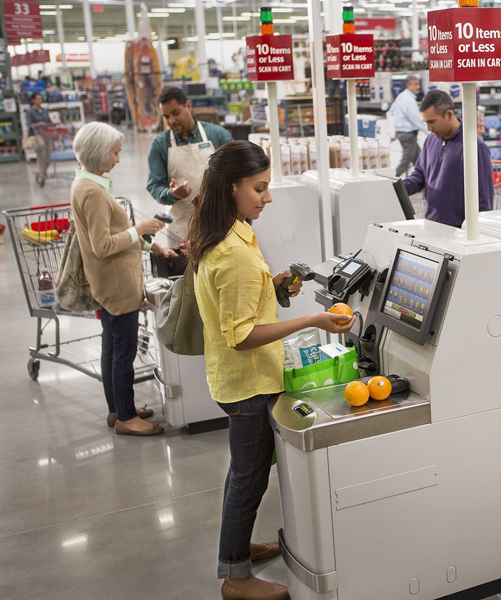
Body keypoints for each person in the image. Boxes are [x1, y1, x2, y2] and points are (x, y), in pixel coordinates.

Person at [187, 141, 354, 600]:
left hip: (234, 377)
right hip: (247, 384)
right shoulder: (235, 252)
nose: (268, 197)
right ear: (233, 186)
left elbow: (237, 304)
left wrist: (275, 286)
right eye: (260, 189)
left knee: (246, 473)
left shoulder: (225, 230)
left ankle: (236, 549)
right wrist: (315, 319)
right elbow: (242, 335)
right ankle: (235, 577)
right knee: (248, 477)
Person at [70, 122, 178, 436]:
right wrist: (141, 229)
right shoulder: (91, 192)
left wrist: (151, 244)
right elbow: (102, 246)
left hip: (110, 283)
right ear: (98, 153)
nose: (118, 159)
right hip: (117, 286)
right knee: (124, 353)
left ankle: (117, 408)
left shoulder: (87, 184)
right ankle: (127, 418)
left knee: (112, 347)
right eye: (115, 153)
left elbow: (116, 235)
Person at [147, 87, 233, 238]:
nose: (172, 121)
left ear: (188, 105)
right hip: (183, 226)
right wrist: (171, 194)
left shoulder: (217, 135)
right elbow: (155, 185)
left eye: (176, 113)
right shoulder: (160, 145)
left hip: (220, 221)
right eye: (166, 117)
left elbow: (237, 175)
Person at [403, 90, 494, 228]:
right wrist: (396, 188)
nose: (428, 128)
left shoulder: (474, 147)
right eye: (426, 122)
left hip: (458, 232)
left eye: (432, 122)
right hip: (431, 226)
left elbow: (483, 199)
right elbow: (419, 176)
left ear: (449, 114)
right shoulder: (431, 140)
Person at [388, 75, 426, 177]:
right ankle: (393, 180)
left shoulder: (401, 96)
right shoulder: (409, 100)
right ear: (408, 85)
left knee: (419, 158)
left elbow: (390, 112)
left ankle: (423, 179)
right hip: (408, 134)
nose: (418, 87)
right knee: (407, 159)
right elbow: (416, 120)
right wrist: (429, 131)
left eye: (418, 84)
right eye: (416, 84)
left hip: (402, 133)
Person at [26, 92, 53, 187]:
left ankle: (38, 172)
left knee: (48, 157)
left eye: (40, 99)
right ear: (32, 100)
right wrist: (38, 124)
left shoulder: (44, 110)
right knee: (41, 156)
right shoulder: (30, 111)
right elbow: (29, 124)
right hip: (37, 135)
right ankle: (42, 177)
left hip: (47, 135)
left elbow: (49, 121)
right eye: (37, 99)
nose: (39, 101)